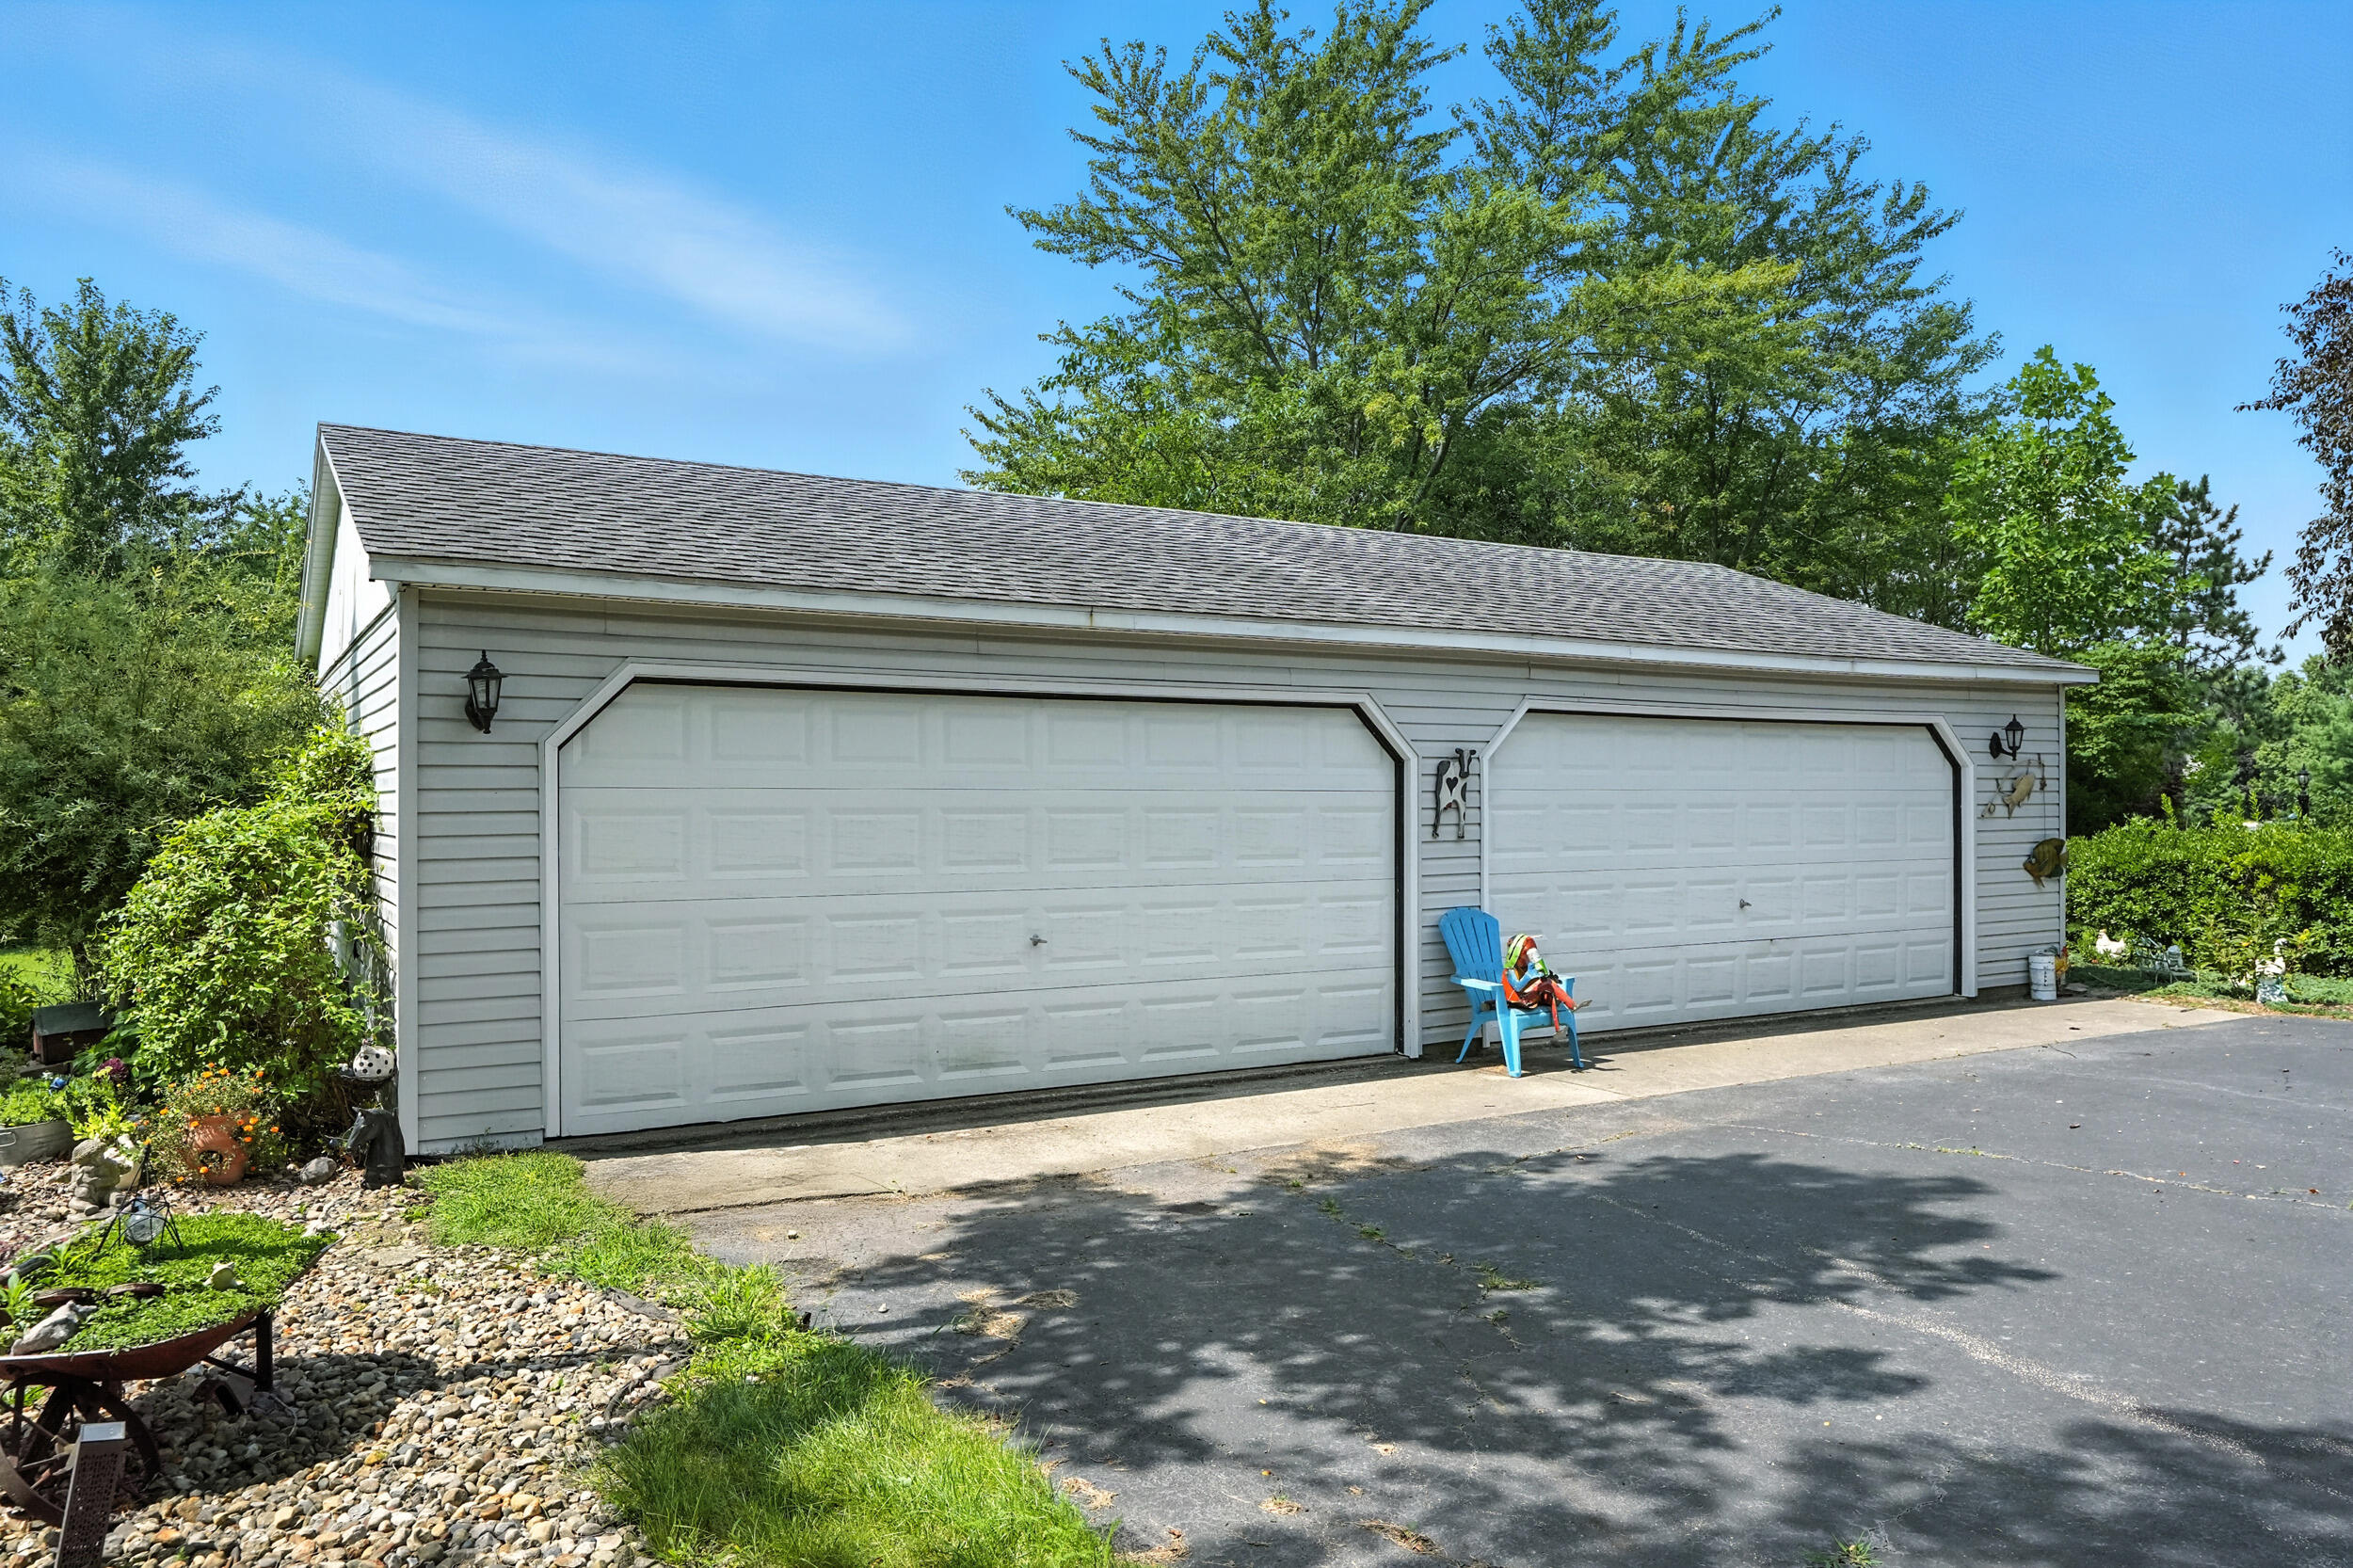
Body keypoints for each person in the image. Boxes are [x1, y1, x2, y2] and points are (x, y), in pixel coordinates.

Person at [1503, 933, 1577, 1041]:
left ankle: (1558, 1028)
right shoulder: (1509, 971)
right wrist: (1529, 976)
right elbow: (1517, 986)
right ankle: (1572, 1006)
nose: (1527, 960)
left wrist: (1542, 973)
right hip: (1519, 1000)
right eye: (1526, 957)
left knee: (1549, 987)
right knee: (1547, 984)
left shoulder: (1526, 967)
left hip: (1533, 996)